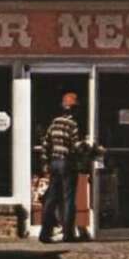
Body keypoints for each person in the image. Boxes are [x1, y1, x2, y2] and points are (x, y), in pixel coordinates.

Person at [39, 92, 81, 244]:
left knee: (51, 199)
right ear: (74, 109)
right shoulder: (73, 124)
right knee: (68, 199)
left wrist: (45, 162)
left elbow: (46, 144)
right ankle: (68, 234)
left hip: (54, 162)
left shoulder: (54, 122)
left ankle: (44, 233)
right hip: (67, 162)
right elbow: (75, 146)